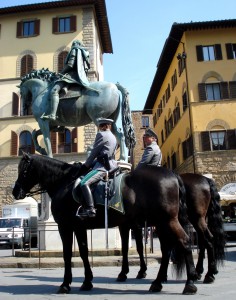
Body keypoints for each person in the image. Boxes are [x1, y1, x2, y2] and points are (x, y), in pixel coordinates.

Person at [73, 117, 118, 219]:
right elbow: (105, 154)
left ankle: (90, 209)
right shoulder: (113, 136)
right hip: (111, 164)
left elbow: (94, 153)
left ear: (101, 126)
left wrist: (85, 166)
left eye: (99, 126)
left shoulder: (101, 134)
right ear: (109, 126)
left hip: (103, 167)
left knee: (84, 183)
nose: (99, 128)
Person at [41, 40, 90, 121]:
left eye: (74, 44)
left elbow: (70, 65)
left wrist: (61, 72)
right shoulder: (84, 52)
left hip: (71, 76)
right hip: (78, 76)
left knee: (54, 91)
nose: (72, 45)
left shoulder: (75, 50)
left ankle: (52, 114)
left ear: (76, 44)